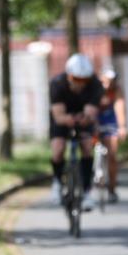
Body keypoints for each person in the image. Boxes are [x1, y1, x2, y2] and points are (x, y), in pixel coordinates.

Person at [49, 53, 103, 211]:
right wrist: (69, 119)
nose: (81, 84)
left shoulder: (95, 84)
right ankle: (58, 181)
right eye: (77, 79)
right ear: (69, 76)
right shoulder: (57, 84)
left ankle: (87, 191)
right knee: (58, 149)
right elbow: (58, 116)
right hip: (62, 117)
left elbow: (90, 113)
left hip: (82, 117)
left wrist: (85, 118)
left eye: (84, 80)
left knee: (87, 147)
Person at [97, 68, 127, 203]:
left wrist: (122, 127)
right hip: (96, 118)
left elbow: (119, 107)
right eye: (106, 81)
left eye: (111, 81)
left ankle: (112, 187)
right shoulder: (95, 88)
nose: (108, 84)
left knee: (112, 153)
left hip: (110, 120)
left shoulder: (116, 90)